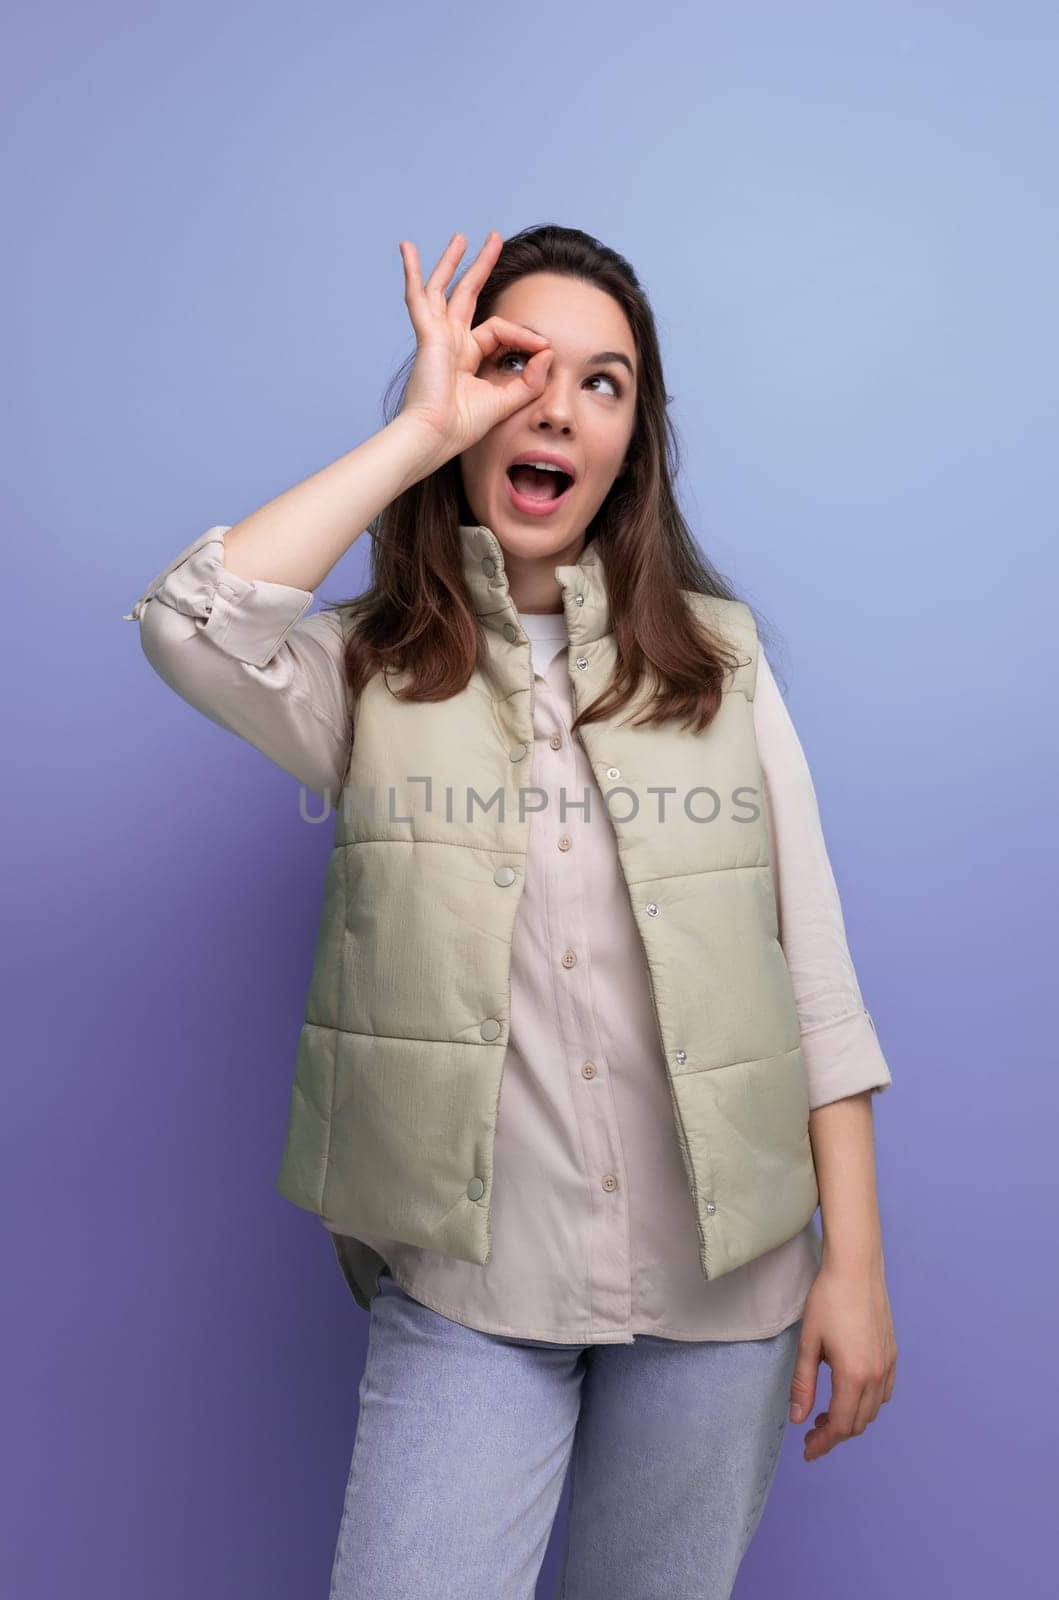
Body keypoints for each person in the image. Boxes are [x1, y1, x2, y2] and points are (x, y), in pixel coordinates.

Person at [124, 224, 898, 1600]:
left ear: (635, 441)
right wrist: (423, 426)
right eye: (515, 364)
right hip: (470, 1290)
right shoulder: (368, 675)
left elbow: (817, 978)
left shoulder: (722, 666)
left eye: (604, 383)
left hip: (726, 1301)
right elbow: (193, 621)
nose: (556, 407)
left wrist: (858, 1268)